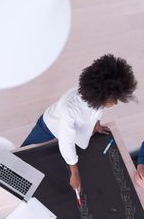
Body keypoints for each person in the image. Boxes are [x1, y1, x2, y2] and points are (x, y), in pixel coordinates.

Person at [21, 54, 137, 192]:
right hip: (47, 128)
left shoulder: (96, 98)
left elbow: (97, 112)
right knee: (23, 156)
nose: (115, 103)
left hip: (71, 128)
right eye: (114, 99)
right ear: (100, 94)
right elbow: (66, 142)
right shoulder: (69, 110)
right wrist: (75, 173)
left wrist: (97, 125)